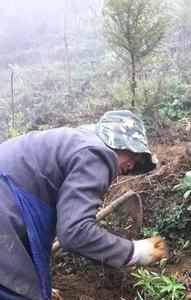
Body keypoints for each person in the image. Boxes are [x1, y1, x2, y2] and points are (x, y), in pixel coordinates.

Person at [0, 110, 168, 300]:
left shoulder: (73, 143)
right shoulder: (96, 153)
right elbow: (74, 232)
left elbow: (28, 239)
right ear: (116, 139)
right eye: (134, 154)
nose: (131, 165)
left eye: (138, 162)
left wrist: (39, 286)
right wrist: (136, 252)